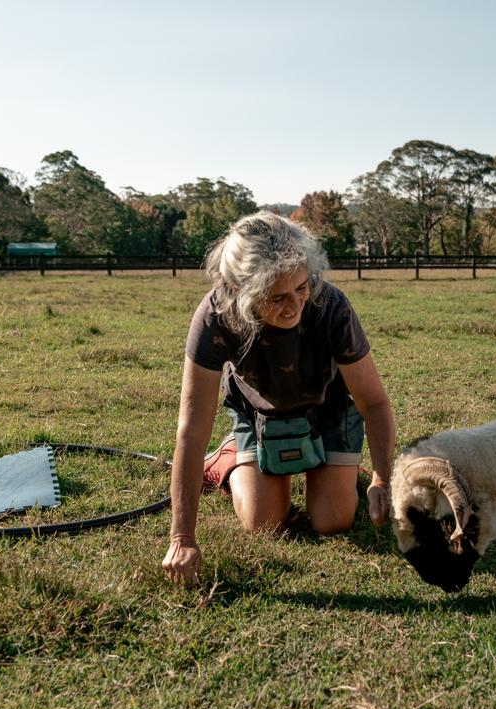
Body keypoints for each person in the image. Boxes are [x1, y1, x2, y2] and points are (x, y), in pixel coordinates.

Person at [162, 212, 395, 583]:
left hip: (328, 412)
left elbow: (374, 402)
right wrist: (182, 537)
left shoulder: (331, 305)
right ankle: (227, 460)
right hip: (259, 416)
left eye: (301, 288)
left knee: (331, 522)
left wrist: (383, 478)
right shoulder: (215, 316)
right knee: (263, 523)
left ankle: (340, 467)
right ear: (240, 291)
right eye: (277, 297)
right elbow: (191, 431)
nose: (295, 306)